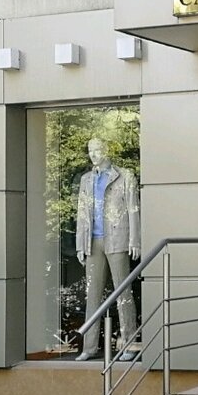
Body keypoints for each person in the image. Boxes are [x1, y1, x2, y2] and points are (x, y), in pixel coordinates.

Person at [73, 138, 141, 361]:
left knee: (123, 292)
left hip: (118, 239)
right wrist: (80, 244)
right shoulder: (86, 180)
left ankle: (129, 344)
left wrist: (135, 240)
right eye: (90, 150)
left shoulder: (124, 176)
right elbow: (82, 214)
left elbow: (133, 209)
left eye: (97, 150)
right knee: (92, 294)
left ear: (106, 150)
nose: (93, 154)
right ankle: (89, 347)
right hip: (93, 242)